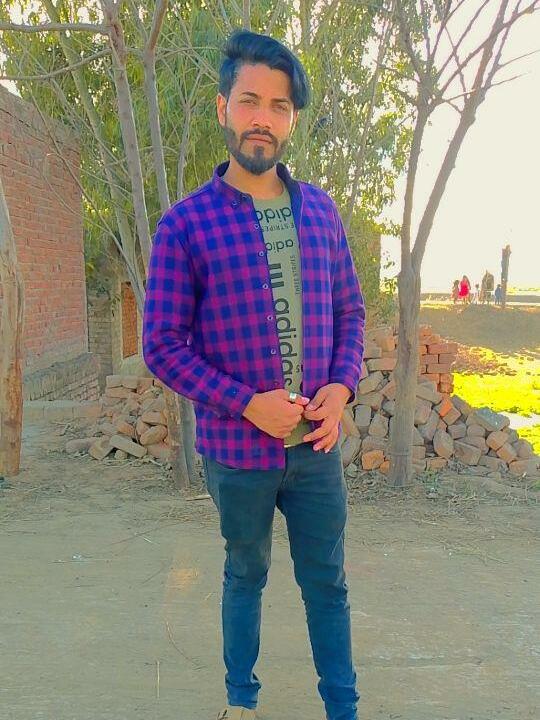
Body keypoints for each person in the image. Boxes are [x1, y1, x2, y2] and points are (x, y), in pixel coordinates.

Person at [142, 30, 365, 720]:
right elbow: (162, 345)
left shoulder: (321, 212)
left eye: (278, 105)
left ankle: (343, 709)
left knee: (327, 583)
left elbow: (351, 310)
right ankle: (242, 702)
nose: (262, 118)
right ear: (223, 109)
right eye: (249, 101)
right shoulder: (185, 227)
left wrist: (342, 387)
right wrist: (245, 403)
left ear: (291, 119)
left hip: (316, 448)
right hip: (238, 453)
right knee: (245, 572)